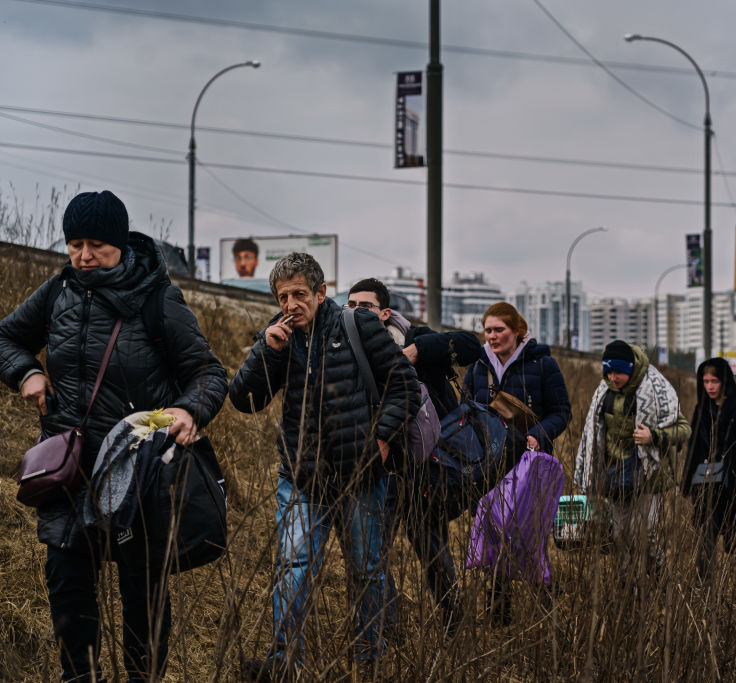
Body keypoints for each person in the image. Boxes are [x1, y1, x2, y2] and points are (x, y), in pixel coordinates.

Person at [0, 190, 228, 682]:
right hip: (70, 464)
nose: (83, 256)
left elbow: (208, 372)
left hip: (139, 471)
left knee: (142, 592)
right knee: (66, 583)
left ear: (121, 244)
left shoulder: (156, 296)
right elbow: (5, 337)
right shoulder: (58, 291)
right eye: (75, 243)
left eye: (96, 245)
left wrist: (189, 411)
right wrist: (26, 374)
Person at [229, 254, 418, 680]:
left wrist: (382, 443)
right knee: (294, 566)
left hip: (361, 475)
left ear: (320, 292)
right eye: (283, 296)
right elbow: (244, 400)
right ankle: (282, 662)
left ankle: (371, 657)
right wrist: (267, 351)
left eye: (299, 294)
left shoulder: (357, 325)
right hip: (301, 479)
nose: (292, 304)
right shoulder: (279, 337)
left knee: (367, 570)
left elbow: (403, 386)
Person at [346, 277, 480, 634]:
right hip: (380, 468)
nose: (357, 312)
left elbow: (470, 346)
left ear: (385, 313)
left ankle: (454, 622)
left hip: (427, 468)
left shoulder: (412, 336)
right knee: (372, 552)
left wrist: (417, 352)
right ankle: (391, 629)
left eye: (366, 306)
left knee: (431, 547)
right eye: (351, 305)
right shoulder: (343, 345)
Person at [462, 301, 571, 624]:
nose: (493, 336)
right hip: (488, 463)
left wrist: (538, 435)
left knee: (524, 532)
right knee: (494, 531)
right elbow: (465, 409)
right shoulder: (478, 366)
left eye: (500, 330)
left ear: (517, 331)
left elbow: (562, 411)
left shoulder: (543, 364)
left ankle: (547, 595)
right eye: (488, 330)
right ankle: (499, 614)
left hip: (529, 464)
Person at [575, 341, 691, 577]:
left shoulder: (657, 388)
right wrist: (589, 471)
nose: (613, 377)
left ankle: (657, 574)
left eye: (618, 372)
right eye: (608, 371)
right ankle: (627, 583)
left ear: (630, 368)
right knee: (619, 535)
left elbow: (684, 429)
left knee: (645, 532)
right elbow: (591, 434)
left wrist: (654, 436)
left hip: (650, 475)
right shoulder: (603, 392)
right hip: (616, 475)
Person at [681, 357, 736, 581]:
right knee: (706, 539)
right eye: (706, 381)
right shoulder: (702, 410)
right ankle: (703, 587)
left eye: (714, 381)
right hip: (708, 486)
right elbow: (694, 449)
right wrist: (687, 482)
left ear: (724, 381)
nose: (709, 386)